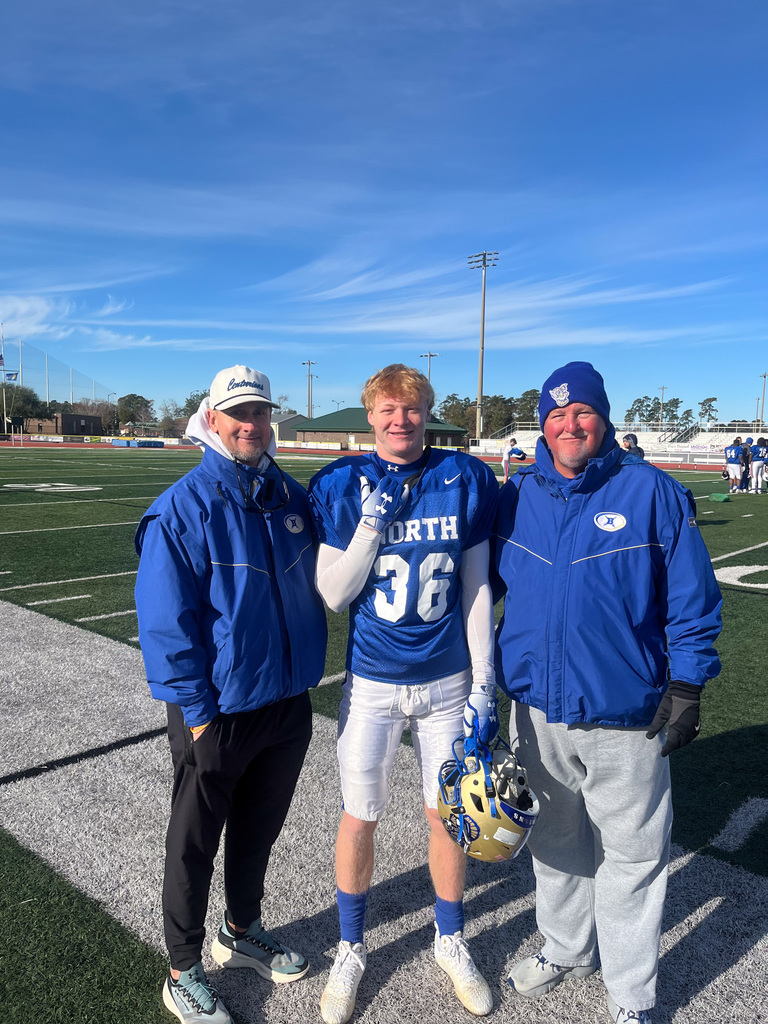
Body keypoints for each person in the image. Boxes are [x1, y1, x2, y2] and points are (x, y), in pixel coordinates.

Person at [493, 361, 721, 1024]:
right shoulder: (517, 495)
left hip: (627, 716)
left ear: (603, 418)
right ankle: (566, 947)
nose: (570, 424)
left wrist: (686, 684)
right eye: (557, 415)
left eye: (582, 412)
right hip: (535, 711)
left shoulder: (652, 492)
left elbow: (692, 601)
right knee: (556, 844)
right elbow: (484, 590)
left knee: (633, 860)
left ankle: (631, 997)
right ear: (543, 424)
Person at [134, 365, 328, 1024]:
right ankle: (182, 968)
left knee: (258, 833)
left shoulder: (288, 496)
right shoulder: (183, 509)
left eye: (260, 414)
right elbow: (167, 625)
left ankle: (241, 933)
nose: (251, 425)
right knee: (193, 842)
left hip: (286, 703)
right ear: (211, 419)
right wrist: (194, 716)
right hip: (217, 708)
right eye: (237, 414)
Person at [308, 364, 499, 1024]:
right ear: (370, 416)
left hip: (447, 686)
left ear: (427, 413)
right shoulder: (340, 483)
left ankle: (451, 938)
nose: (401, 419)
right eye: (388, 409)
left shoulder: (466, 478)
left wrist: (484, 684)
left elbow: (476, 590)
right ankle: (351, 946)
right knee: (360, 814)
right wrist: (368, 526)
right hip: (373, 685)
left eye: (412, 409)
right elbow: (333, 594)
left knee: (448, 816)